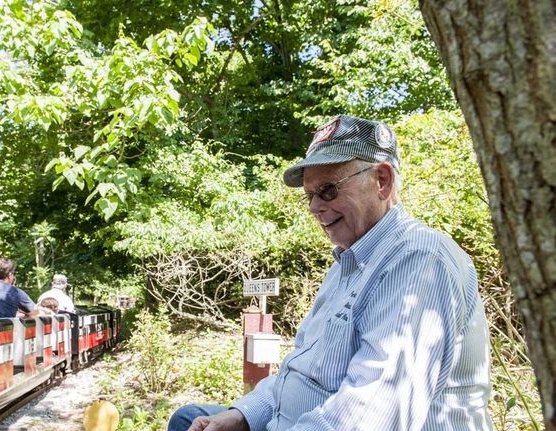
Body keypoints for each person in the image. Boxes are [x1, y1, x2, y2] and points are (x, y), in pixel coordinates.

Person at [168, 115, 493, 430]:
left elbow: (371, 415)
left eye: (328, 190)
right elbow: (297, 370)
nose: (313, 208)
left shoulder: (420, 260)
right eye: (310, 195)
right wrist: (243, 415)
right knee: (188, 419)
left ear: (382, 180)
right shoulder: (345, 266)